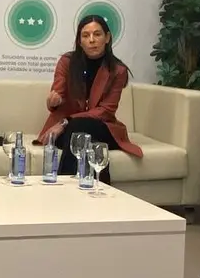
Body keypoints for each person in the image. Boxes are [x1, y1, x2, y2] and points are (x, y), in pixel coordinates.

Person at [37, 15, 143, 183]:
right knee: (88, 143)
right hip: (69, 130)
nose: (91, 40)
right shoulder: (67, 62)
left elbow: (106, 111)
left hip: (100, 126)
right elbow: (57, 96)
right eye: (85, 36)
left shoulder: (118, 70)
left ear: (107, 38)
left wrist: (66, 121)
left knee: (78, 125)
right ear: (79, 41)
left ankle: (64, 186)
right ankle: (101, 188)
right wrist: (53, 101)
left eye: (97, 34)